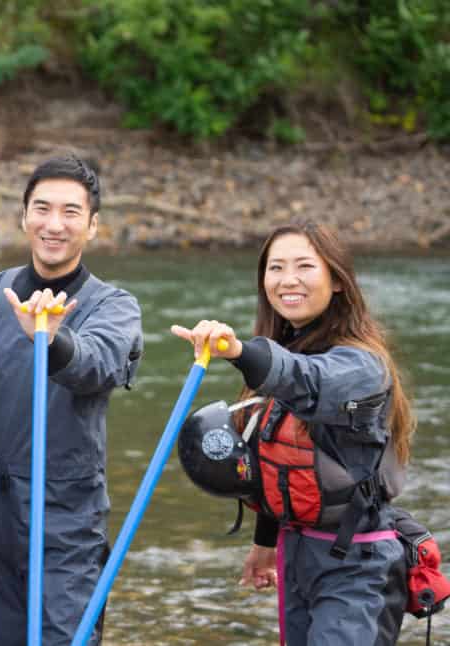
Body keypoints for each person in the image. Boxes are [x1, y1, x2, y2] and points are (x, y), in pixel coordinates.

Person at [171, 218, 415, 645]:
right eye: (276, 268)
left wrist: (238, 351)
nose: (287, 281)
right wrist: (266, 542)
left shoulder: (360, 365)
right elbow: (275, 459)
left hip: (357, 567)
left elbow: (306, 380)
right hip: (297, 555)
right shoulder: (284, 354)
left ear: (337, 280)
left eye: (304, 267)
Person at [0, 155, 144, 645]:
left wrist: (50, 339)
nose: (54, 224)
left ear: (92, 226)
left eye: (71, 212)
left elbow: (97, 365)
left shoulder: (114, 306)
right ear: (23, 216)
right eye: (42, 209)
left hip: (66, 515)